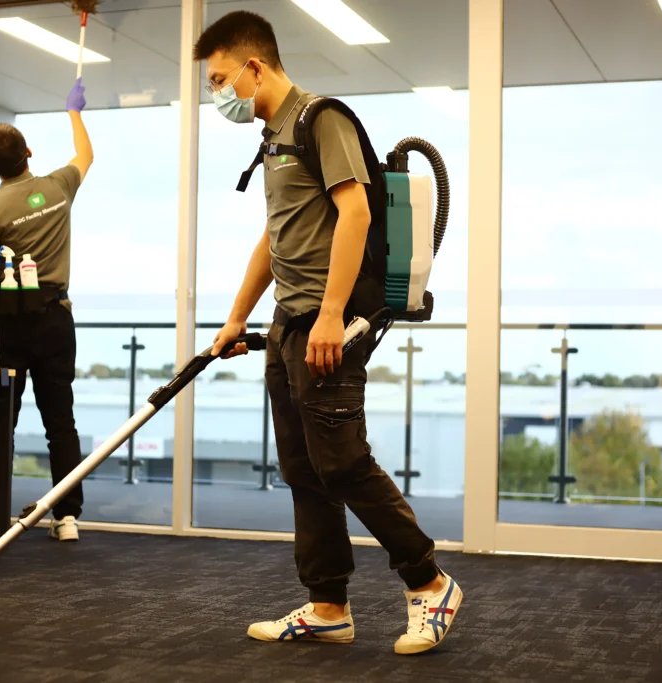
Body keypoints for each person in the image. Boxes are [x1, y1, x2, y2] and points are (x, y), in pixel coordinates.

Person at [192, 11, 462, 654]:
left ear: (255, 67)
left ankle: (429, 583)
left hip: (325, 323)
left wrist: (334, 315)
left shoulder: (321, 118)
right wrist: (237, 315)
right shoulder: (274, 137)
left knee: (341, 462)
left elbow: (356, 211)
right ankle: (327, 603)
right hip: (289, 323)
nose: (218, 95)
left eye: (222, 79)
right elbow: (276, 235)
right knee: (304, 469)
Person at [0, 79, 94, 542]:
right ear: (29, 153)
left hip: (9, 325)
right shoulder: (58, 186)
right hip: (56, 321)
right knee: (60, 422)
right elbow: (85, 157)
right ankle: (66, 517)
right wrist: (74, 112)